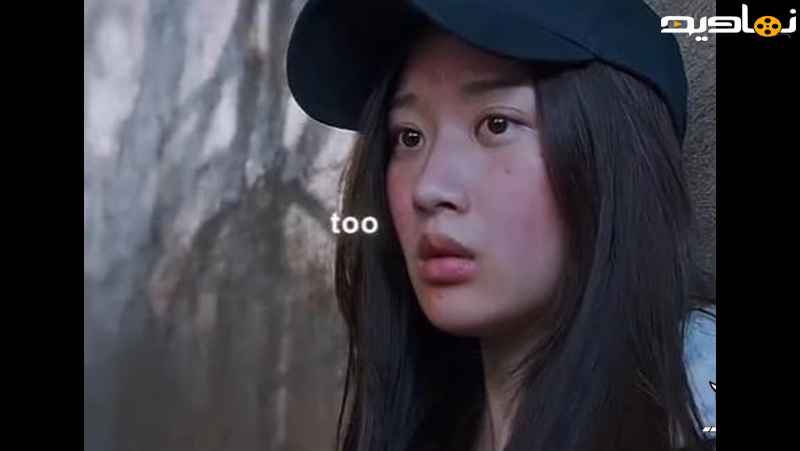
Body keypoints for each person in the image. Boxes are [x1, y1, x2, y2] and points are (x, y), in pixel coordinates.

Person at [286, 1, 716, 450]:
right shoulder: (419, 423)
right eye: (409, 137)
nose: (429, 188)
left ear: (614, 156)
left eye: (496, 125)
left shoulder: (695, 409)